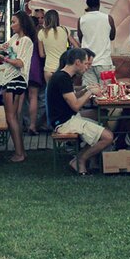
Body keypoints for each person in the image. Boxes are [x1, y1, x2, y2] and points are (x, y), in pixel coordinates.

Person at [46, 47, 113, 175]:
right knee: (108, 137)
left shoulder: (63, 76)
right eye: (85, 63)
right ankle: (80, 160)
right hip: (64, 123)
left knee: (101, 117)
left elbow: (71, 97)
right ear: (77, 62)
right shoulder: (62, 78)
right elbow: (76, 106)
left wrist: (86, 89)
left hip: (67, 118)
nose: (86, 67)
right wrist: (90, 92)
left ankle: (93, 160)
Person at [0, 10, 35, 163]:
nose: (11, 25)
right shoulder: (14, 38)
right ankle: (21, 152)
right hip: (12, 79)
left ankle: (19, 153)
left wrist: (4, 56)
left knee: (11, 117)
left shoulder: (26, 41)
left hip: (15, 79)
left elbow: (20, 63)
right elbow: (2, 52)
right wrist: (3, 50)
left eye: (13, 22)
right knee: (13, 118)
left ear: (22, 23)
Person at [77, 0, 116, 85]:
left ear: (86, 3)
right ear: (99, 2)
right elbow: (112, 36)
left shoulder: (81, 20)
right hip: (104, 62)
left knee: (89, 93)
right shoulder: (108, 18)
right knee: (107, 94)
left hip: (87, 63)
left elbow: (80, 39)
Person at [38, 9, 79, 85]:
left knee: (50, 93)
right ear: (57, 19)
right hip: (63, 68)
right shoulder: (65, 30)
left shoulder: (42, 32)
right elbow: (76, 46)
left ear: (46, 19)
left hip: (49, 68)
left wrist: (49, 52)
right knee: (64, 93)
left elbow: (41, 55)